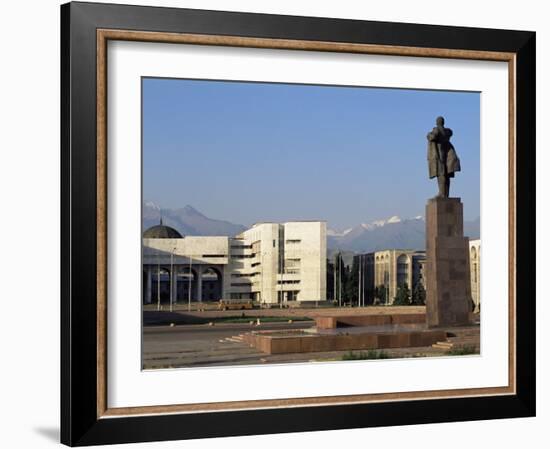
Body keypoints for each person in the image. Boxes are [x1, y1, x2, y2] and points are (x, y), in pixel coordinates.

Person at [427, 116, 461, 197]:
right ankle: (446, 194)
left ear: (437, 122)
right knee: (446, 175)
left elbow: (432, 137)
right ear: (443, 122)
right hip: (448, 154)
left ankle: (442, 193)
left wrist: (428, 134)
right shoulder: (447, 131)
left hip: (439, 154)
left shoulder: (437, 130)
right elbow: (450, 132)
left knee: (441, 174)